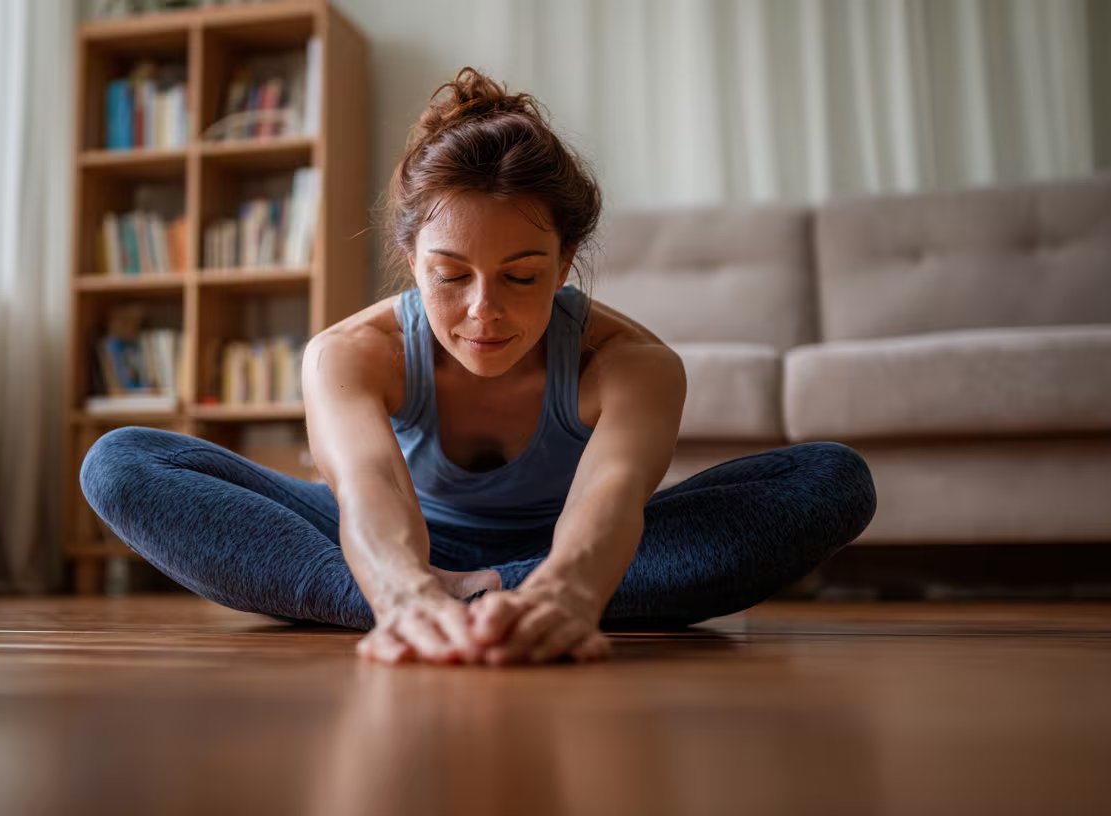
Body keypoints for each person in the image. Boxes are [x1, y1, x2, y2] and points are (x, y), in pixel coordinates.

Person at [79, 67, 877, 668]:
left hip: (566, 547)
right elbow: (369, 490)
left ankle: (493, 597)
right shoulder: (349, 354)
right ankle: (462, 604)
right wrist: (402, 588)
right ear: (411, 259)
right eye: (450, 276)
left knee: (829, 479)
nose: (483, 311)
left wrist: (569, 588)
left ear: (566, 260)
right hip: (384, 541)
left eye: (521, 276)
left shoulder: (631, 365)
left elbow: (607, 505)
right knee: (121, 461)